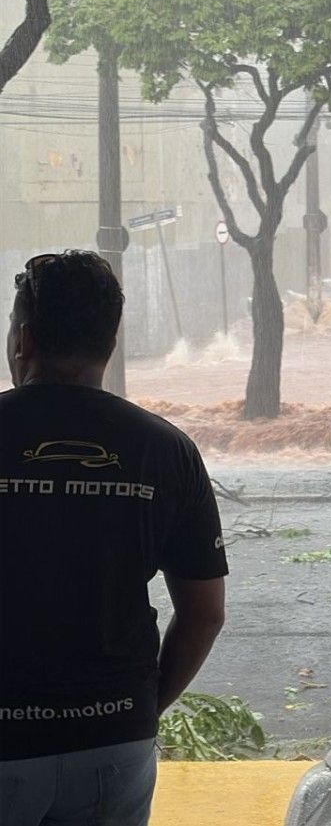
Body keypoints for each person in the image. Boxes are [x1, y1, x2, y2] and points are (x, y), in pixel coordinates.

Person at [0, 251, 226, 826]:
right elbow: (204, 614)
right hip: (115, 739)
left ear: (22, 338)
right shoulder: (167, 450)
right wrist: (138, 710)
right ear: (111, 342)